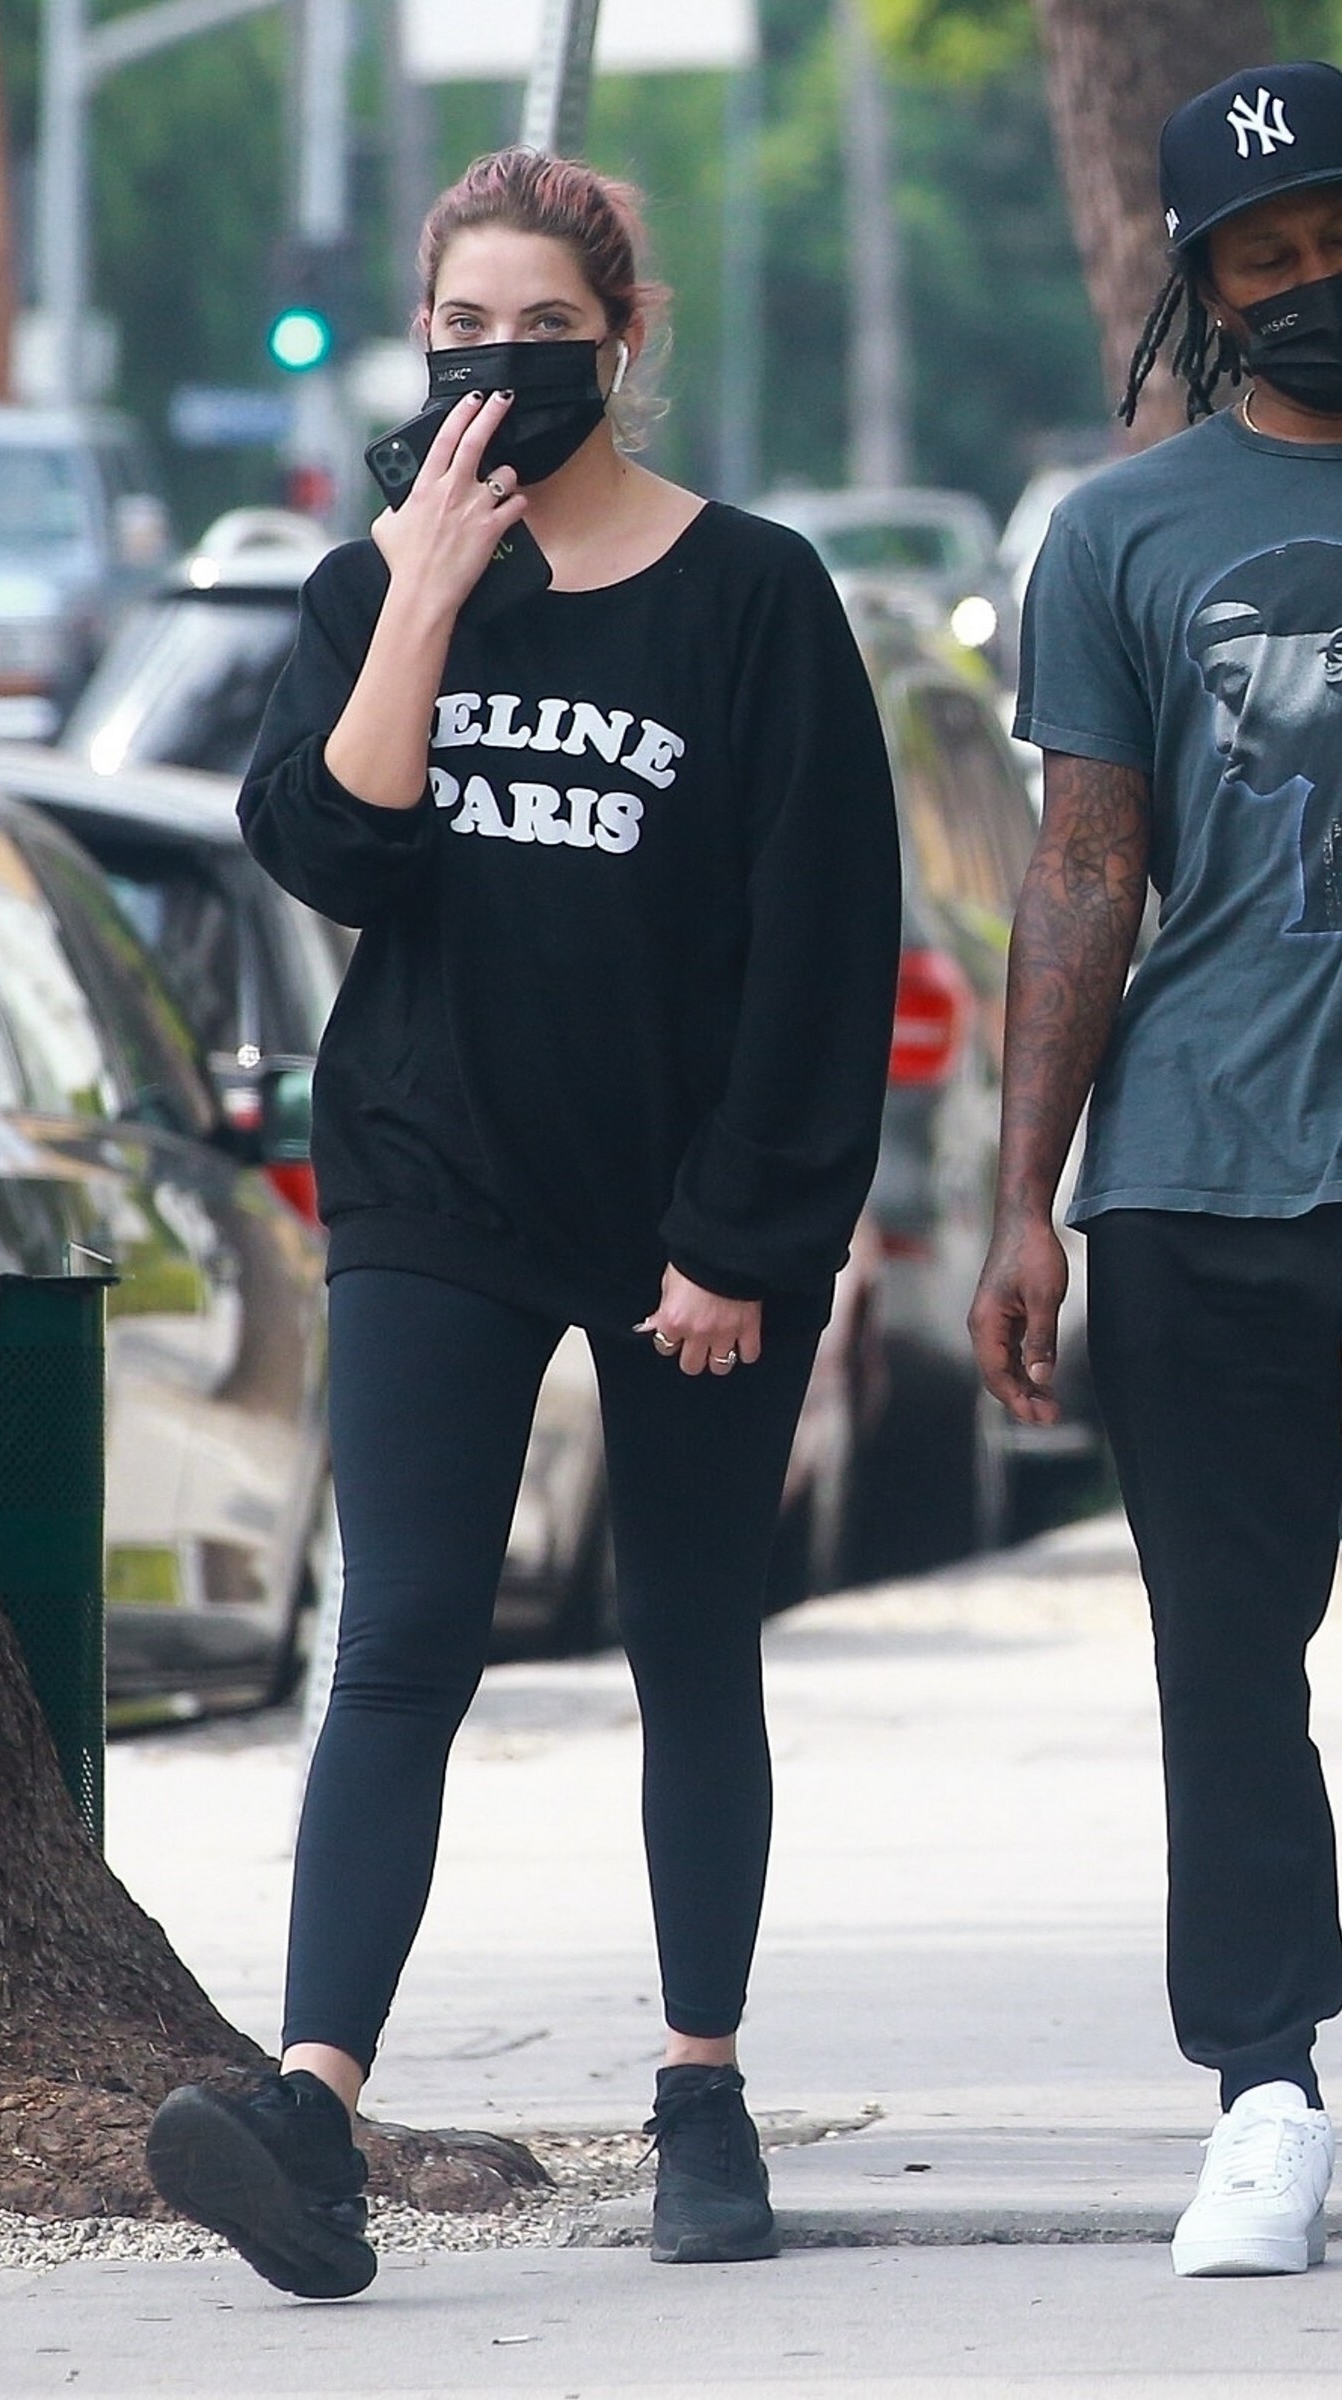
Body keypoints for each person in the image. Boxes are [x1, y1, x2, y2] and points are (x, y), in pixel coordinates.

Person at [145, 147, 900, 2298]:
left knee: (689, 1641)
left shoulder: (751, 593)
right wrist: (419, 593)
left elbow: (821, 943)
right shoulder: (365, 588)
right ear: (421, 342)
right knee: (397, 1642)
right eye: (463, 332)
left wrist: (742, 1237)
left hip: (684, 1209)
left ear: (622, 338)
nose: (500, 366)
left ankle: (700, 2091)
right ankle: (309, 2109)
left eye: (543, 332)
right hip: (433, 1181)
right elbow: (330, 853)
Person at [970, 59, 1342, 2281]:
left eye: (1338, 241)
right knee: (1224, 1661)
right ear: (1201, 288)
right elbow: (1084, 870)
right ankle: (1264, 2093)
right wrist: (1022, 1197)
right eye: (1265, 258)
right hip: (1200, 1182)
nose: (1310, 283)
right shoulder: (1121, 534)